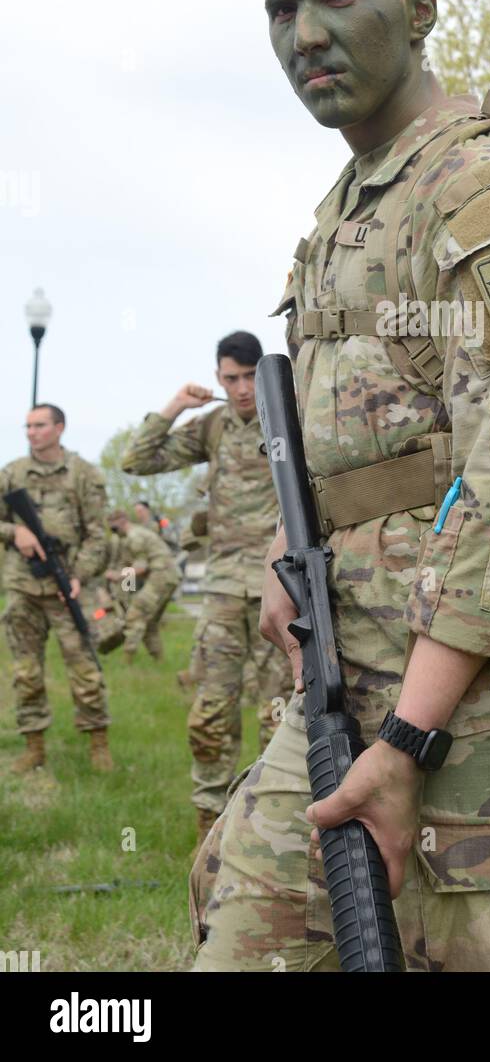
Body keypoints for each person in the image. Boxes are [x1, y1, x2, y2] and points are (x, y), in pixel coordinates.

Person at [190, 0, 490, 972]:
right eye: (282, 9)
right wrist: (282, 561)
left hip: (481, 728)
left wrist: (406, 740)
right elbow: (354, 450)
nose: (307, 35)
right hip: (340, 687)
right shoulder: (347, 207)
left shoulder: (483, 184)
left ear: (421, 6)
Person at [121, 332, 292, 843]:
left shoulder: (288, 416)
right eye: (230, 379)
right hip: (221, 590)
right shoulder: (213, 426)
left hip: (278, 588)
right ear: (219, 379)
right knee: (212, 709)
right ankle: (209, 825)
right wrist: (176, 405)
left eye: (247, 377)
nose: (241, 389)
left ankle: (268, 825)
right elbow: (136, 460)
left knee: (278, 713)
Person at [0, 403, 113, 772]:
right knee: (26, 671)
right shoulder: (12, 473)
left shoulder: (83, 474)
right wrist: (14, 531)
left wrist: (78, 574)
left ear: (60, 428)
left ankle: (98, 745)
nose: (32, 432)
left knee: (85, 671)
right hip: (23, 586)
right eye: (28, 426)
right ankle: (34, 746)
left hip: (68, 589)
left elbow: (98, 533)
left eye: (40, 425)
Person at [105, 509, 180, 662]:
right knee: (149, 622)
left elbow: (140, 567)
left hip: (162, 575)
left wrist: (117, 575)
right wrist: (126, 597)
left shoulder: (135, 536)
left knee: (135, 615)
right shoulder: (127, 539)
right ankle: (159, 661)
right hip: (166, 576)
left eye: (114, 528)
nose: (113, 532)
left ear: (122, 522)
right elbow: (129, 567)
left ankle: (127, 661)